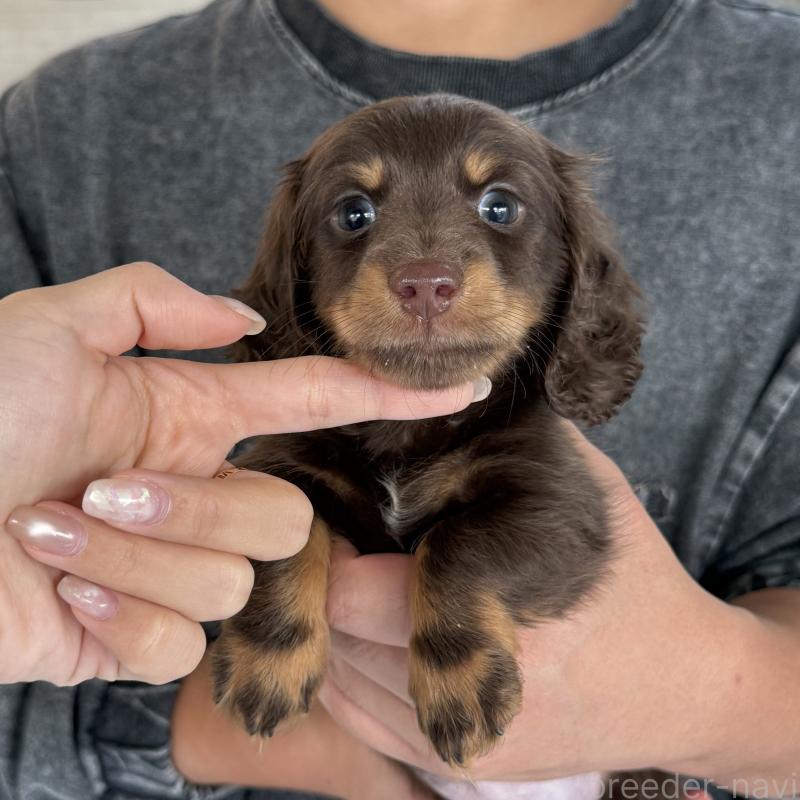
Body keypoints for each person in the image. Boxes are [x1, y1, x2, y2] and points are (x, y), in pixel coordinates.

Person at [1, 1, 799, 799]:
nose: (424, 274)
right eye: (354, 214)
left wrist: (711, 702)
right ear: (298, 277)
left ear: (568, 267)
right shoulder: (62, 126)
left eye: (499, 210)